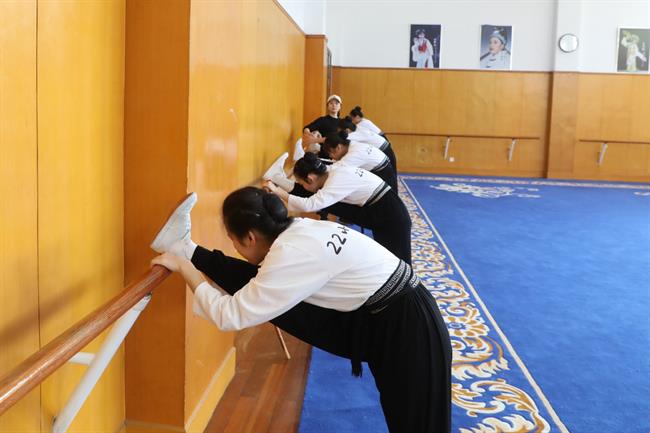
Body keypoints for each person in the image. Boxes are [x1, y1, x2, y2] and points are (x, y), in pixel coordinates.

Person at [150, 189, 452, 433]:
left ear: (250, 237)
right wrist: (188, 256)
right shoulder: (299, 230)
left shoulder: (290, 254)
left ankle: (183, 251)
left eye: (233, 241)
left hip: (409, 328)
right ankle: (185, 247)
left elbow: (229, 315)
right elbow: (257, 287)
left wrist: (184, 269)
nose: (236, 248)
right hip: (387, 314)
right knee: (263, 291)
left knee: (418, 424)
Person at [265, 152, 412, 264]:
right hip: (379, 210)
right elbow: (310, 196)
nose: (302, 186)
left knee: (399, 263)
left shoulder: (335, 182)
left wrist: (277, 191)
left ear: (311, 178)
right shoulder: (331, 171)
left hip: (391, 216)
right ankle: (277, 177)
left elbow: (308, 205)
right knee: (387, 259)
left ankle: (409, 295)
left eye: (302, 183)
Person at [322, 130, 397, 190]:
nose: (331, 156)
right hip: (383, 169)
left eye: (330, 153)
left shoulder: (354, 153)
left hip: (384, 174)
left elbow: (337, 168)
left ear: (338, 147)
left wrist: (318, 166)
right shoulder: (353, 145)